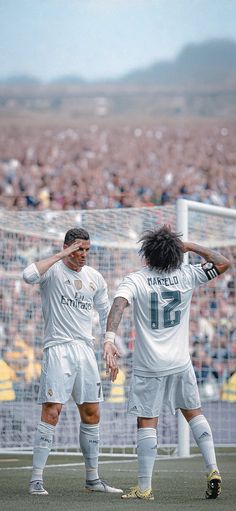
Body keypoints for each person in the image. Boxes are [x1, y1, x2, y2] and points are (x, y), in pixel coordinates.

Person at [104, 225, 231, 501]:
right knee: (194, 413)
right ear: (175, 253)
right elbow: (223, 263)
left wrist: (109, 338)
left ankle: (145, 487)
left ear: (147, 254)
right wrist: (192, 246)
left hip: (150, 365)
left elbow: (118, 304)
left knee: (147, 422)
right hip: (180, 362)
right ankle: (213, 469)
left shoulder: (136, 279)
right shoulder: (187, 275)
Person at [23, 227, 122, 496]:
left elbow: (105, 312)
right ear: (67, 247)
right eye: (79, 249)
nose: (84, 255)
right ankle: (36, 479)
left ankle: (92, 479)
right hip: (58, 349)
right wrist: (60, 254)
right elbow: (28, 275)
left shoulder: (94, 278)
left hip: (85, 351)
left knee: (92, 413)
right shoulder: (52, 271)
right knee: (52, 411)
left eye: (87, 250)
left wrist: (109, 341)